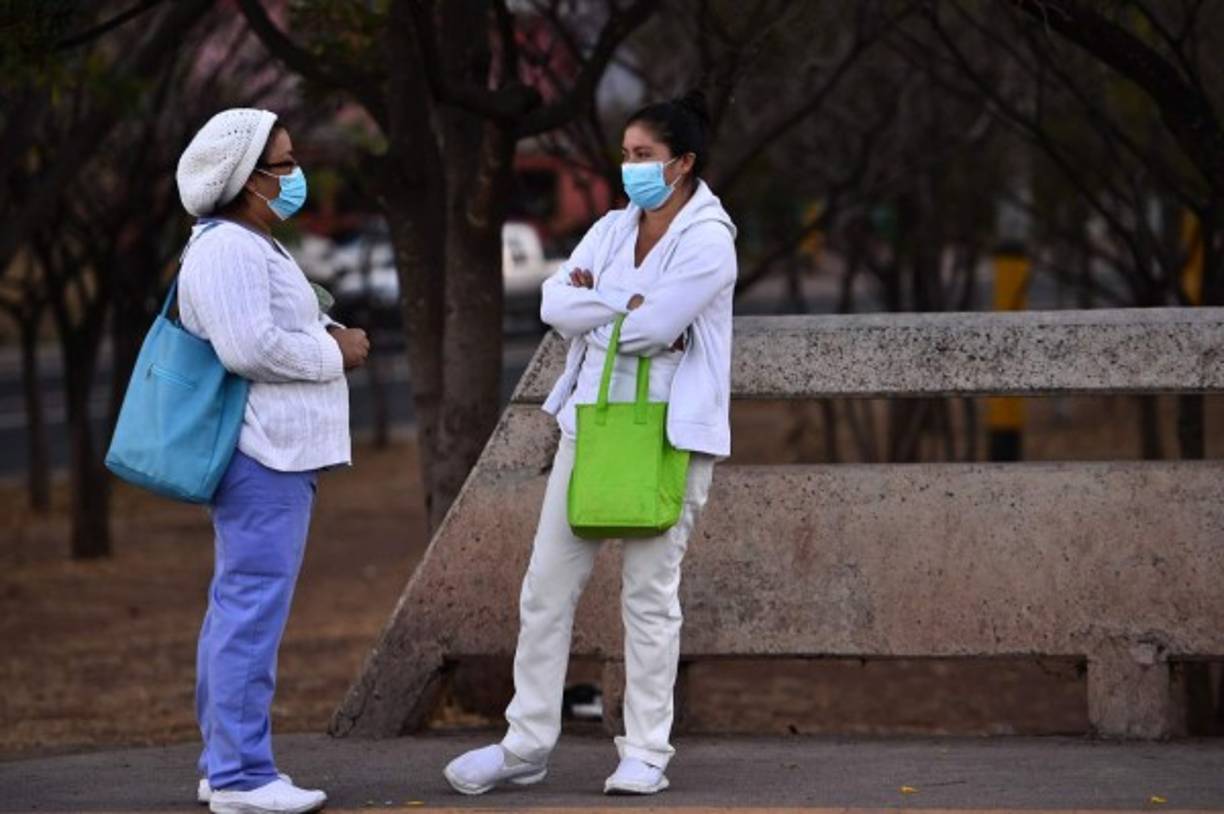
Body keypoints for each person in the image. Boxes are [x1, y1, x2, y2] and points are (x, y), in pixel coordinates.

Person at [444, 90, 737, 796]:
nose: (630, 167)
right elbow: (554, 305)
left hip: (668, 436)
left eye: (645, 156)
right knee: (545, 589)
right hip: (589, 425)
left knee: (649, 595)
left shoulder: (709, 240)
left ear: (684, 163)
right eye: (627, 154)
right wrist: (624, 304)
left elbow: (647, 328)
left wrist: (597, 303)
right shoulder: (611, 227)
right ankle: (525, 745)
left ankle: (645, 752)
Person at [174, 108, 370, 814]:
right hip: (262, 454)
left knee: (241, 607)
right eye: (281, 166)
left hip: (277, 452)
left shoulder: (252, 243)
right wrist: (333, 353)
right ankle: (240, 776)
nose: (294, 178)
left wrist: (323, 330)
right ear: (243, 178)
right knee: (249, 611)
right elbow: (247, 347)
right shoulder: (229, 248)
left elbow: (265, 330)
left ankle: (225, 764)